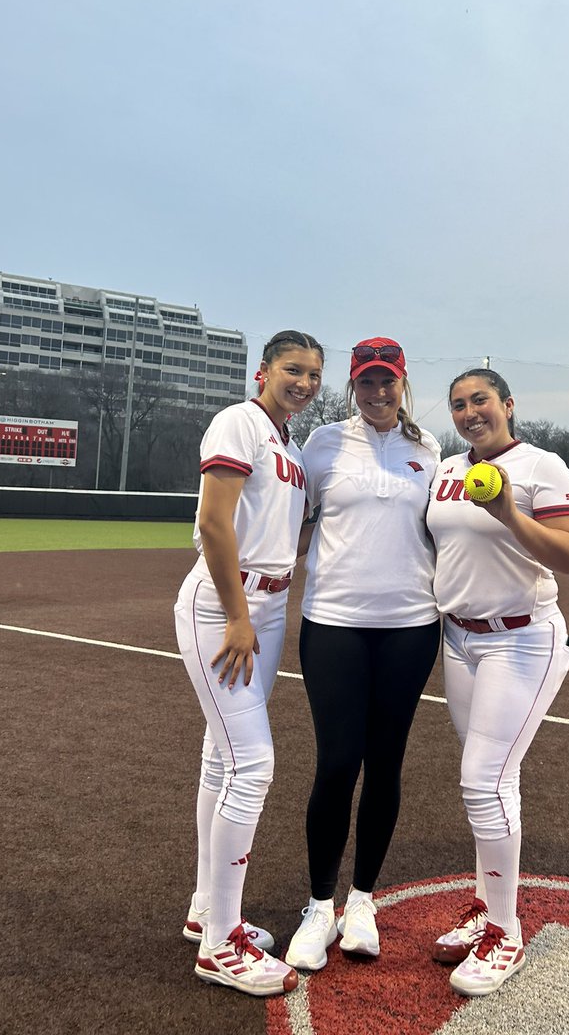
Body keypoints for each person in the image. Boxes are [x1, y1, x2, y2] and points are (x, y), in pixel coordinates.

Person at [426, 368, 569, 998]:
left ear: (508, 405)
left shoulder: (543, 467)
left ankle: (504, 930)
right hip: (460, 639)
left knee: (483, 779)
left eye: (481, 401)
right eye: (459, 405)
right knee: (491, 778)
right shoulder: (445, 469)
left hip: (521, 638)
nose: (470, 413)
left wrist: (508, 513)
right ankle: (485, 905)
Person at [174, 330, 324, 998]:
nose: (305, 382)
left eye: (315, 373)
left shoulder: (286, 441)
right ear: (264, 370)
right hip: (224, 605)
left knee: (220, 755)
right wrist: (238, 616)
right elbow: (214, 523)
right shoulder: (239, 420)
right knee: (252, 763)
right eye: (294, 369)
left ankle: (208, 907)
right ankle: (220, 944)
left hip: (261, 607)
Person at [285, 338, 441, 972]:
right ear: (353, 384)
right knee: (337, 763)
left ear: (403, 382)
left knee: (386, 764)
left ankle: (362, 901)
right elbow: (288, 523)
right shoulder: (322, 444)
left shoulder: (430, 450)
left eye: (389, 381)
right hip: (335, 624)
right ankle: (319, 905)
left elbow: (446, 533)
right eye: (367, 382)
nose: (378, 393)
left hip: (410, 625)